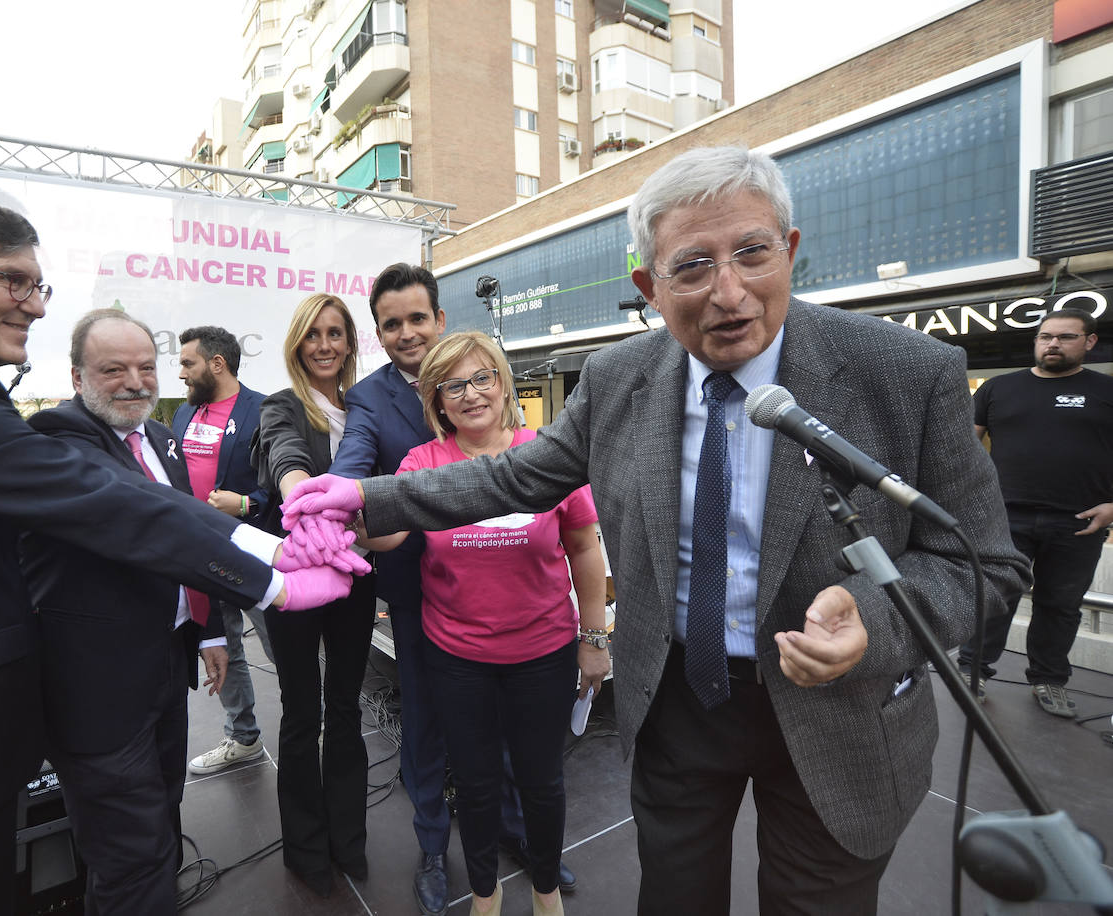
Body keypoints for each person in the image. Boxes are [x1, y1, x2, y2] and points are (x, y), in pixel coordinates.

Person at [283, 147, 1030, 914]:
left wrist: (872, 623)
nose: (729, 292)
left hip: (844, 713)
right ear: (650, 284)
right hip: (678, 697)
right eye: (693, 266)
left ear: (791, 248)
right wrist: (363, 500)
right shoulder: (616, 379)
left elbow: (983, 566)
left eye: (751, 253)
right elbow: (510, 476)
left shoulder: (908, 372)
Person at [0, 197, 352, 915]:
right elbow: (108, 502)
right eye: (12, 282)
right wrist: (279, 580)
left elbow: (156, 505)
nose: (33, 305)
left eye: (36, 285)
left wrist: (269, 555)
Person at [331, 263, 574, 915]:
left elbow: (579, 534)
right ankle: (441, 856)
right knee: (436, 744)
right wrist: (338, 500)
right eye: (391, 324)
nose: (406, 332)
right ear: (379, 334)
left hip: (530, 625)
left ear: (439, 319)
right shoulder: (374, 406)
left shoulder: (528, 435)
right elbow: (359, 469)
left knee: (523, 755)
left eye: (417, 318)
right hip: (428, 604)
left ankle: (529, 851)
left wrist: (596, 634)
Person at [360, 331, 609, 916]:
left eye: (482, 378)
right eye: (454, 385)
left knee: (542, 783)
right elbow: (388, 533)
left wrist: (593, 639)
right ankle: (485, 894)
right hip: (458, 657)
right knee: (474, 785)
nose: (471, 394)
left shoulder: (547, 453)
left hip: (543, 652)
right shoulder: (423, 463)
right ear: (437, 401)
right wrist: (343, 515)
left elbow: (583, 546)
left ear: (502, 383)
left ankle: (547, 892)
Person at [20, 309, 233, 914]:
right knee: (125, 848)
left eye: (146, 367)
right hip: (97, 686)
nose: (135, 381)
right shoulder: (58, 439)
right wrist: (274, 579)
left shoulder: (162, 438)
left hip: (166, 661)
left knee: (162, 805)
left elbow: (193, 549)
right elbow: (160, 525)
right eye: (113, 369)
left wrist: (210, 629)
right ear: (76, 375)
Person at [256, 292, 378, 897]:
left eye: (336, 334)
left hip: (355, 577)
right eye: (314, 335)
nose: (325, 345)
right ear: (298, 344)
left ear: (351, 341)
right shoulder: (282, 405)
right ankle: (305, 847)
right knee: (302, 713)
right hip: (298, 579)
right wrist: (300, 489)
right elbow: (286, 456)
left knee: (347, 710)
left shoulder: (367, 407)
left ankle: (348, 840)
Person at [958, 307, 1113, 717]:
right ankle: (972, 674)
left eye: (1065, 337)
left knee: (1059, 606)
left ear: (1089, 342)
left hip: (1079, 521)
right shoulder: (997, 388)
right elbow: (965, 450)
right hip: (1004, 516)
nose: (1053, 344)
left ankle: (1049, 681)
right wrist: (972, 502)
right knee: (994, 597)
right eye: (1046, 337)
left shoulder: (1105, 390)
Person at [173, 325, 279, 773]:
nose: (180, 374)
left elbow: (288, 480)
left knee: (282, 646)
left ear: (217, 364)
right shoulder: (182, 415)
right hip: (200, 554)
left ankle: (307, 727)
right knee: (222, 644)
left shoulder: (266, 410)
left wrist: (248, 503)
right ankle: (243, 737)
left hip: (251, 551)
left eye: (187, 363)